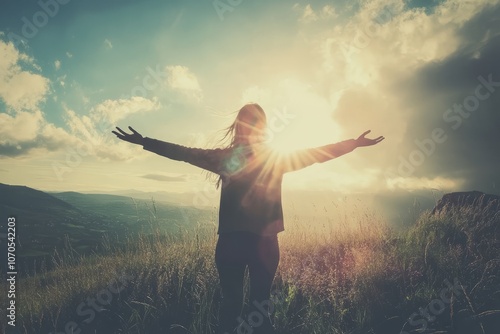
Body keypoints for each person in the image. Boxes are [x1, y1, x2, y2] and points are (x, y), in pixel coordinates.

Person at [112, 103, 384, 333]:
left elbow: (183, 153)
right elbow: (317, 154)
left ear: (239, 126)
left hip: (231, 243)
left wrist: (145, 142)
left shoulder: (226, 158)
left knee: (231, 308)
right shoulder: (275, 158)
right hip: (264, 245)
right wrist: (353, 144)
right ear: (262, 128)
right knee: (260, 311)